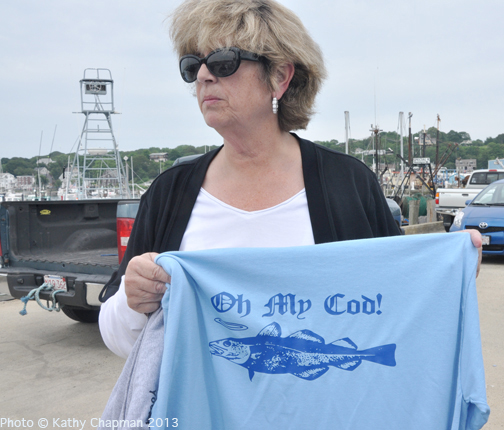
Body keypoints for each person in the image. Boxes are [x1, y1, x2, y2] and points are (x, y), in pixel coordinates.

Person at [99, 0, 481, 359]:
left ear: (280, 77)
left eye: (223, 61)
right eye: (192, 65)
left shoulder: (348, 184)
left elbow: (398, 304)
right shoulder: (169, 193)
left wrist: (449, 268)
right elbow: (119, 340)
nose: (202, 75)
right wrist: (134, 302)